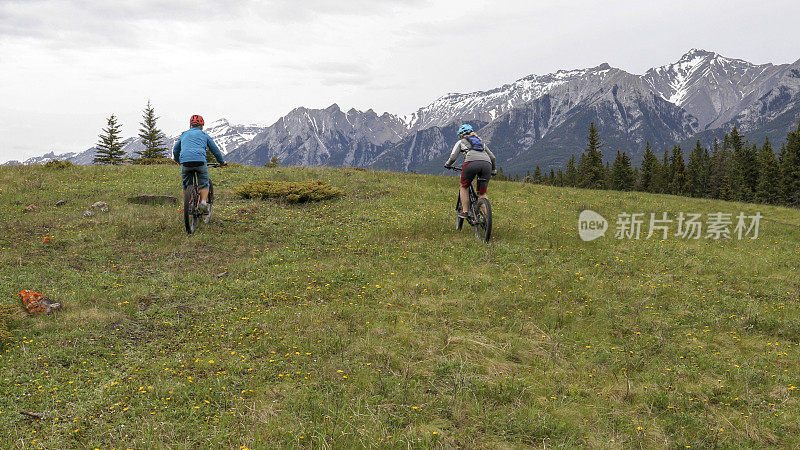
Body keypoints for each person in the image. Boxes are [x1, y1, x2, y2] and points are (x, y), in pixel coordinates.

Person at [173, 115, 226, 213]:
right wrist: (221, 162)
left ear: (190, 125)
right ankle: (203, 203)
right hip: (200, 162)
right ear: (202, 125)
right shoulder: (204, 135)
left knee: (186, 184)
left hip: (185, 163)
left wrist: (178, 160)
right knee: (204, 182)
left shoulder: (184, 135)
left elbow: (176, 149)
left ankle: (187, 205)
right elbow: (215, 150)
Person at [444, 124, 496, 219]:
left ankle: (465, 211)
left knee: (464, 186)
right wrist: (494, 170)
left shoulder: (461, 142)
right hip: (487, 165)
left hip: (471, 163)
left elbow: (452, 157)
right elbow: (492, 157)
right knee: (482, 194)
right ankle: (488, 220)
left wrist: (447, 165)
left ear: (461, 135)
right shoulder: (481, 142)